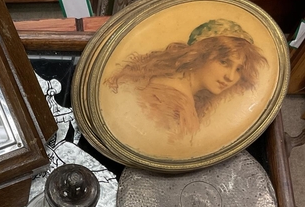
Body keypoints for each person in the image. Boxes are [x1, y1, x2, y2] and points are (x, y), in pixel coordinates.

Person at [103, 19, 268, 141]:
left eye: (239, 69)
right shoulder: (174, 103)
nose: (230, 77)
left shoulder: (176, 88)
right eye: (224, 62)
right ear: (201, 55)